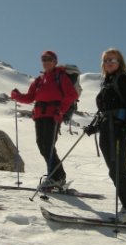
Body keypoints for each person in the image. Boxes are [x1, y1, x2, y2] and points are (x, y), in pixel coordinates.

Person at [85, 48, 126, 223]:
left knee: (119, 169)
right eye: (106, 60)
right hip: (107, 129)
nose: (108, 63)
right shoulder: (107, 82)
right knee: (115, 170)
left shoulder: (123, 79)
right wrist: (94, 127)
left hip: (118, 131)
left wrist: (125, 126)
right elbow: (106, 111)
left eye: (112, 60)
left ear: (120, 63)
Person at [10, 50, 78, 189]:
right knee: (43, 146)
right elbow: (30, 97)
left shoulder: (60, 76)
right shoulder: (39, 80)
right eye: (44, 59)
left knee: (47, 147)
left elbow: (71, 95)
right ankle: (57, 176)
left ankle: (57, 177)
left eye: (49, 59)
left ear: (55, 61)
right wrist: (17, 96)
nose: (46, 62)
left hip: (53, 116)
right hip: (40, 117)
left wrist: (61, 111)